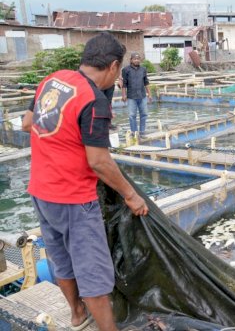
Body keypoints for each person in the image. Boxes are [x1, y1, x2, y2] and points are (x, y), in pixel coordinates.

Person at [22, 32, 149, 331]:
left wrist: (61, 141)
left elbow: (28, 123)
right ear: (114, 67)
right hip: (74, 198)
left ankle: (77, 314)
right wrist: (131, 196)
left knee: (61, 259)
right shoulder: (93, 99)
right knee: (93, 271)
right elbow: (99, 161)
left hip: (40, 190)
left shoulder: (52, 80)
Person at [121, 52, 151, 134]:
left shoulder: (143, 69)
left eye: (138, 59)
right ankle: (134, 133)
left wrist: (150, 94)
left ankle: (142, 132)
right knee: (132, 116)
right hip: (131, 97)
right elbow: (124, 84)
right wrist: (123, 95)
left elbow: (146, 82)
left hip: (142, 96)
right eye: (135, 59)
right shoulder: (126, 70)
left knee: (144, 114)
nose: (137, 60)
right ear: (131, 60)